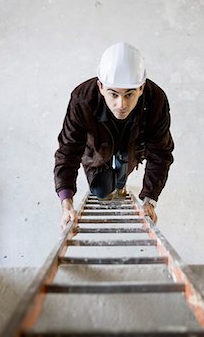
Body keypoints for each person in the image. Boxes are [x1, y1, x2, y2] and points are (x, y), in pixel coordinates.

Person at [54, 42, 174, 229]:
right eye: (113, 94)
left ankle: (121, 179)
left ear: (141, 88)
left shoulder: (156, 100)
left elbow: (160, 153)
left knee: (121, 176)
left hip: (132, 146)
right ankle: (110, 180)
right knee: (101, 191)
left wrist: (150, 200)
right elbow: (68, 149)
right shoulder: (82, 98)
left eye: (129, 94)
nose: (121, 105)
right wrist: (66, 201)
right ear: (101, 87)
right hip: (97, 149)